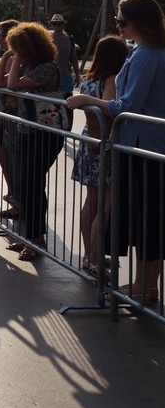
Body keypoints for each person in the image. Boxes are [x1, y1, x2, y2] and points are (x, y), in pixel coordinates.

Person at [67, 0, 165, 304]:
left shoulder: (148, 55)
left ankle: (145, 288)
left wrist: (88, 101)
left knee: (147, 221)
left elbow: (128, 104)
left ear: (140, 22)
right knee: (148, 220)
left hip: (143, 147)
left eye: (122, 20)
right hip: (146, 145)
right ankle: (145, 286)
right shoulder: (147, 53)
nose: (118, 26)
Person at [4, 22, 65, 261]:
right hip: (30, 133)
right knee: (27, 184)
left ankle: (36, 239)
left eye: (19, 48)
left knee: (32, 183)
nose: (15, 52)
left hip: (45, 134)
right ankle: (30, 236)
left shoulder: (46, 69)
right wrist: (10, 56)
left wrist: (16, 58)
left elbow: (12, 85)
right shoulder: (31, 69)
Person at [70, 36, 128, 278]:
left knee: (91, 203)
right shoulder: (111, 79)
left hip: (90, 141)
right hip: (105, 144)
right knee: (104, 205)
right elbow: (109, 106)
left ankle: (88, 255)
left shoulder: (88, 79)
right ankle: (94, 258)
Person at [0, 19, 20, 212]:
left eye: (0, 35)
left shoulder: (14, 60)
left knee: (5, 159)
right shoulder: (6, 57)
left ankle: (14, 196)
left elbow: (5, 88)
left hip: (5, 118)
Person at [49, 13, 81, 95]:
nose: (57, 26)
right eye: (54, 24)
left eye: (59, 24)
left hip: (66, 75)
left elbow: (74, 58)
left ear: (63, 25)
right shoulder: (48, 40)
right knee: (53, 104)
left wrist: (77, 75)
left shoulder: (70, 39)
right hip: (52, 77)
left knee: (67, 102)